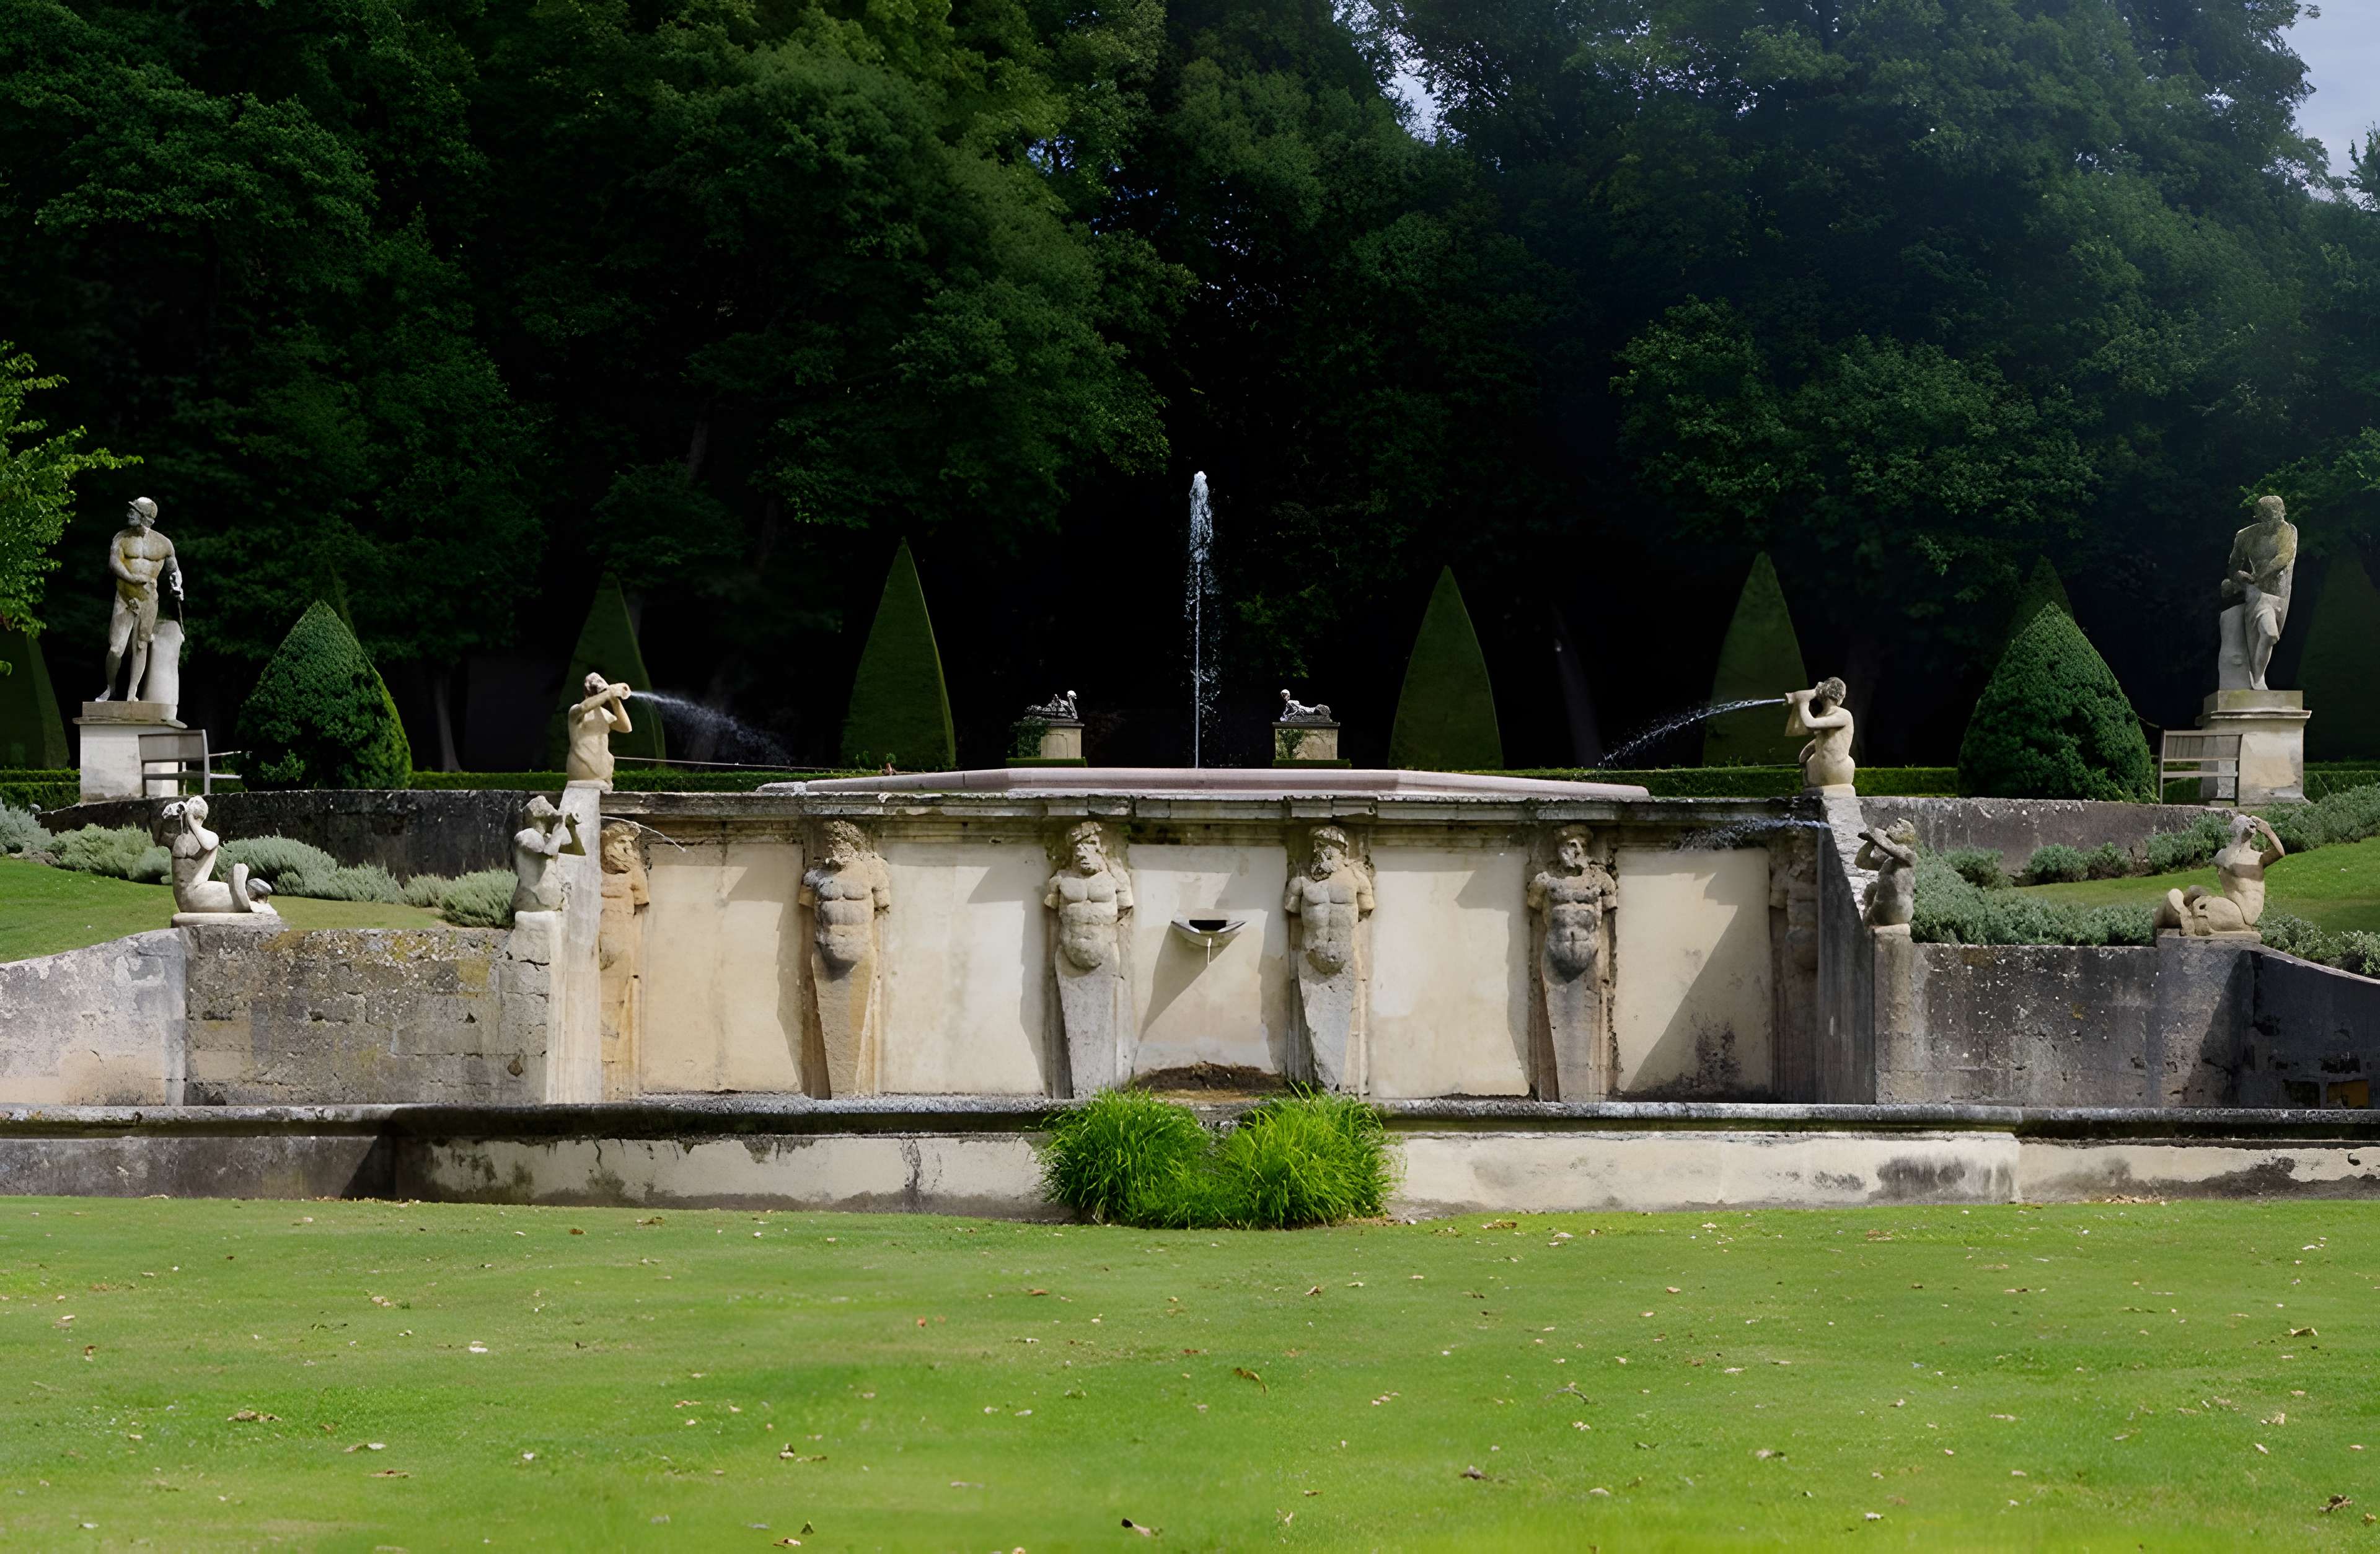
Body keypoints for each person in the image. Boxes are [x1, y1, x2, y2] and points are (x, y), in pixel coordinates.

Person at [99, 498, 180, 701]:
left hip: (148, 599)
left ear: (145, 518)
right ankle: (111, 687)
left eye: (134, 511)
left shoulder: (163, 544)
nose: (129, 514)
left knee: (141, 646)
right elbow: (114, 564)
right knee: (116, 648)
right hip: (125, 596)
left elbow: (174, 570)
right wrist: (133, 578)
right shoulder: (121, 538)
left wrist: (176, 584)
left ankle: (132, 693)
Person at [2223, 495, 2297, 691]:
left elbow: (2284, 557)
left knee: (2270, 637)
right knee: (2270, 634)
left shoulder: (2287, 531)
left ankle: (2257, 677)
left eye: (2276, 514)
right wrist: (2242, 577)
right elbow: (2233, 567)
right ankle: (2258, 679)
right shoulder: (2246, 535)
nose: (2275, 519)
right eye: (2266, 515)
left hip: (2279, 595)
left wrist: (2260, 575)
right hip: (2258, 595)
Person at [1783, 677, 1856, 792]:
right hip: (1818, 769)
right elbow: (1797, 731)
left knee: (1849, 762)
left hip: (1837, 771)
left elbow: (1810, 724)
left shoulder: (1843, 715)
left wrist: (1803, 702)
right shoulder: (1822, 715)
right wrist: (1799, 702)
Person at [565, 672, 635, 788]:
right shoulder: (575, 712)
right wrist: (609, 693)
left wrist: (615, 700)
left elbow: (626, 727)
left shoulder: (604, 714)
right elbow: (584, 707)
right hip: (581, 780)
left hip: (603, 780)